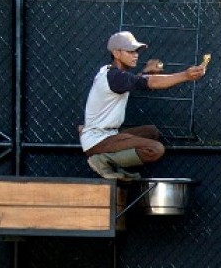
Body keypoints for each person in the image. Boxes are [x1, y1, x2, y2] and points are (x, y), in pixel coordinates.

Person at [80, 31, 206, 180]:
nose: (136, 55)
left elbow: (133, 81)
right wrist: (185, 75)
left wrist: (145, 72)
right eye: (130, 51)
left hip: (106, 134)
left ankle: (112, 164)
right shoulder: (114, 77)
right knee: (155, 149)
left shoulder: (111, 73)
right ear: (116, 53)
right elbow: (149, 82)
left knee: (151, 132)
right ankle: (101, 160)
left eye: (137, 51)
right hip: (98, 140)